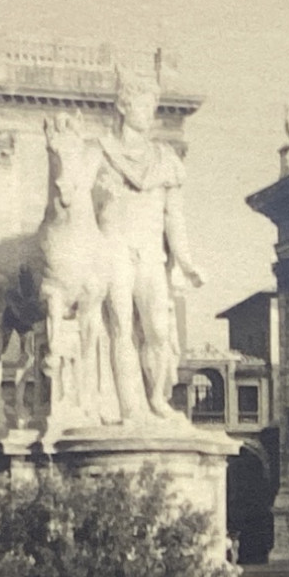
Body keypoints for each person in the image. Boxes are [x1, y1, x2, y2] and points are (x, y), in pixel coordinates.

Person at [95, 71, 204, 420]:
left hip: (150, 254)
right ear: (123, 107)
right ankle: (130, 405)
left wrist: (186, 262)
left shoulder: (165, 159)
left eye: (152, 106)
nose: (148, 112)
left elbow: (175, 217)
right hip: (114, 248)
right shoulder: (100, 152)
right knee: (121, 328)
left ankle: (157, 397)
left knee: (158, 329)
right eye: (142, 105)